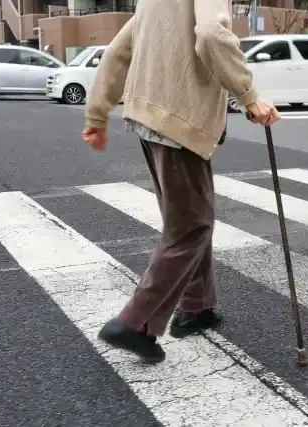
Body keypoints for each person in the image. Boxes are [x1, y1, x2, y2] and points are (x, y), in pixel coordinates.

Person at [82, 0, 281, 363]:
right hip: (179, 122)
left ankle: (198, 307)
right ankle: (134, 323)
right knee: (191, 227)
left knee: (189, 217)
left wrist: (98, 115)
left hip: (149, 118)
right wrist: (249, 97)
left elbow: (118, 52)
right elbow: (210, 35)